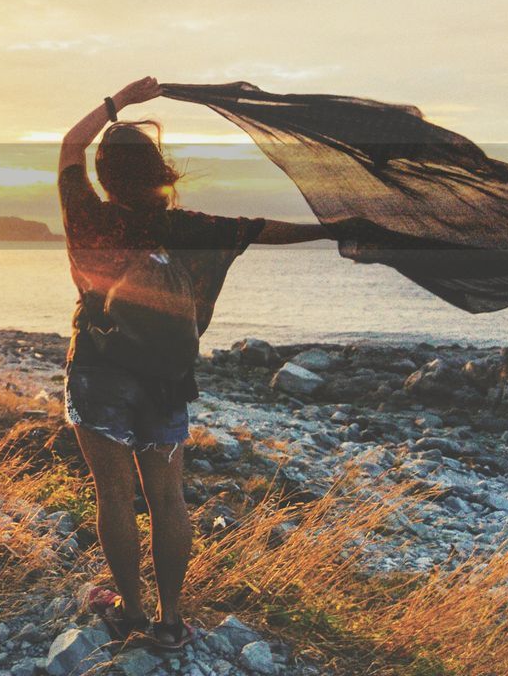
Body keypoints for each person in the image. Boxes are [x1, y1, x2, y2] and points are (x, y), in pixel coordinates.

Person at [58, 76, 326, 650]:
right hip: (166, 381)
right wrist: (340, 230)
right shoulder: (188, 228)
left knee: (113, 494)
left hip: (99, 374)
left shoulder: (88, 217)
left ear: (106, 177)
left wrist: (119, 102)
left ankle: (130, 611)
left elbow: (68, 146)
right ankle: (171, 622)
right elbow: (261, 230)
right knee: (167, 497)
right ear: (160, 174)